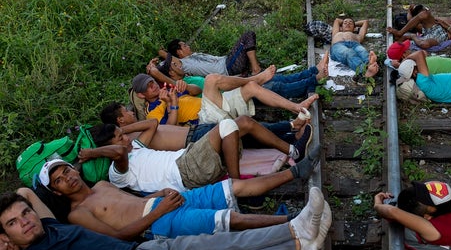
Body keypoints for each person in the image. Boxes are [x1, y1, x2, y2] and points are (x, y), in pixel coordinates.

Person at [0, 185, 332, 250]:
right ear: (7, 237)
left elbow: (24, 191)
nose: (25, 222)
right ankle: (299, 246)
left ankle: (295, 229)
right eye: (13, 223)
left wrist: (9, 226)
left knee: (223, 242)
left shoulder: (49, 226)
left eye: (24, 213)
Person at [33, 157, 321, 240]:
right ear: (56, 191)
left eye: (66, 170)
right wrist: (159, 211)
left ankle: (296, 172)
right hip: (158, 223)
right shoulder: (76, 213)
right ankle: (294, 222)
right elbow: (119, 234)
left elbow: (132, 201)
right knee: (228, 219)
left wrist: (158, 194)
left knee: (231, 186)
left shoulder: (100, 184)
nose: (67, 177)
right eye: (58, 180)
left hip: (163, 203)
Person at [81, 118, 318, 193]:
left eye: (124, 135)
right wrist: (93, 152)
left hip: (191, 156)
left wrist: (123, 131)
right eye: (120, 137)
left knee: (242, 122)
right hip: (185, 172)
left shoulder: (137, 148)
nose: (126, 140)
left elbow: (152, 124)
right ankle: (235, 185)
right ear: (108, 150)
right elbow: (119, 151)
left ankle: (292, 151)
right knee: (227, 126)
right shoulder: (117, 173)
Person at [140, 56, 318, 125]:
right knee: (211, 79)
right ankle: (256, 77)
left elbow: (195, 90)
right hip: (202, 119)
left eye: (152, 82)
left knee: (252, 88)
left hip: (213, 106)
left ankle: (296, 107)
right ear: (142, 95)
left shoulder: (170, 89)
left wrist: (184, 87)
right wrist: (171, 104)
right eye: (149, 87)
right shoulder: (152, 112)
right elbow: (169, 129)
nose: (153, 86)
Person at [100, 102, 311, 151]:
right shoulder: (131, 136)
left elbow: (159, 125)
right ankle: (291, 138)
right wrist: (122, 132)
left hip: (195, 132)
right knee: (245, 129)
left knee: (246, 132)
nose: (130, 111)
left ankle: (290, 134)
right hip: (194, 140)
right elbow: (154, 123)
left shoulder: (136, 129)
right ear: (119, 121)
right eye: (125, 111)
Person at [164, 39, 328, 98]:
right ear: (171, 73)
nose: (178, 64)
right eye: (175, 64)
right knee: (274, 86)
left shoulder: (187, 75)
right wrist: (157, 73)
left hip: (234, 85)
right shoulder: (184, 83)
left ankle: (313, 72)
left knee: (277, 79)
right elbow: (191, 89)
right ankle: (314, 78)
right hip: (230, 94)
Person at [161, 32, 261, 77]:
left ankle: (252, 68)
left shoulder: (193, 55)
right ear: (179, 52)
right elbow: (168, 60)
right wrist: (161, 52)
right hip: (227, 68)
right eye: (184, 45)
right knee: (248, 36)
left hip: (226, 61)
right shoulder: (183, 63)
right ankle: (255, 69)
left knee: (246, 44)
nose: (188, 46)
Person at [330, 17, 379, 82]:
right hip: (338, 45)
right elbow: (337, 20)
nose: (348, 24)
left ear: (355, 28)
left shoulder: (358, 36)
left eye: (350, 23)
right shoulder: (336, 33)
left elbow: (365, 22)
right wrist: (350, 24)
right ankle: (364, 71)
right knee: (349, 52)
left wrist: (353, 24)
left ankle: (370, 65)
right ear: (341, 27)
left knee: (363, 52)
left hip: (355, 45)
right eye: (345, 23)